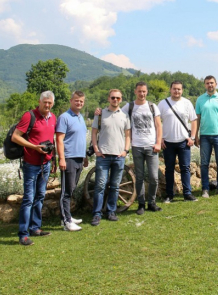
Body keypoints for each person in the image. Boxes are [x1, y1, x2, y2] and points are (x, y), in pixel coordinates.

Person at [12, 91, 57, 246]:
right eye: (45, 102)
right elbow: (15, 136)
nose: (47, 105)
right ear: (39, 101)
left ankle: (35, 228)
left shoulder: (53, 118)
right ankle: (23, 234)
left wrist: (50, 155)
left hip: (45, 163)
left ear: (53, 103)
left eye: (50, 102)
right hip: (31, 163)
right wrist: (34, 147)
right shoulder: (29, 116)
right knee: (28, 199)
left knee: (40, 197)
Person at [91, 89, 131, 225]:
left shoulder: (124, 115)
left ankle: (111, 211)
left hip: (119, 156)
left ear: (121, 99)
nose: (115, 100)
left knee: (114, 186)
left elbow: (127, 135)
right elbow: (94, 132)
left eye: (118, 98)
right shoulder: (100, 114)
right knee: (100, 186)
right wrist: (96, 149)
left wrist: (125, 150)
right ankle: (97, 214)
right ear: (108, 98)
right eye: (113, 98)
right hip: (103, 155)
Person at [122, 82, 163, 214]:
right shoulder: (129, 106)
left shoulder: (152, 106)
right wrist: (101, 112)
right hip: (137, 146)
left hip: (151, 146)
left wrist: (158, 143)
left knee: (154, 177)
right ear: (135, 91)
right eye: (139, 91)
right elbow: (116, 113)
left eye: (144, 91)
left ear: (147, 92)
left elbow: (158, 126)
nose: (142, 94)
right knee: (139, 177)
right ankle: (141, 204)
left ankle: (151, 202)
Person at [158, 81, 198, 202]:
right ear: (170, 90)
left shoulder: (187, 103)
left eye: (179, 89)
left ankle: (187, 193)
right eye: (174, 89)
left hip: (183, 141)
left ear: (182, 90)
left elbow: (194, 120)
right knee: (169, 169)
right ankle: (170, 195)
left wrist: (192, 137)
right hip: (168, 142)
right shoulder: (163, 104)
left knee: (185, 168)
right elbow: (156, 121)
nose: (177, 91)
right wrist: (159, 138)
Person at [56, 91, 88, 232]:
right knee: (66, 191)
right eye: (76, 101)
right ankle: (66, 221)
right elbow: (59, 139)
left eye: (81, 101)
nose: (79, 103)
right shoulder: (64, 117)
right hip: (68, 158)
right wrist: (61, 158)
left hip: (79, 158)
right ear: (71, 101)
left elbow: (81, 139)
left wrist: (85, 156)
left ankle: (68, 216)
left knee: (72, 188)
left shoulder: (81, 118)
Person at [195, 75, 218, 198]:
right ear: (204, 85)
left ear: (216, 84)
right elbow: (197, 118)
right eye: (207, 83)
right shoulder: (200, 99)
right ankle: (205, 188)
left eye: (212, 83)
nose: (210, 85)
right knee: (204, 163)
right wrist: (196, 135)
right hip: (204, 136)